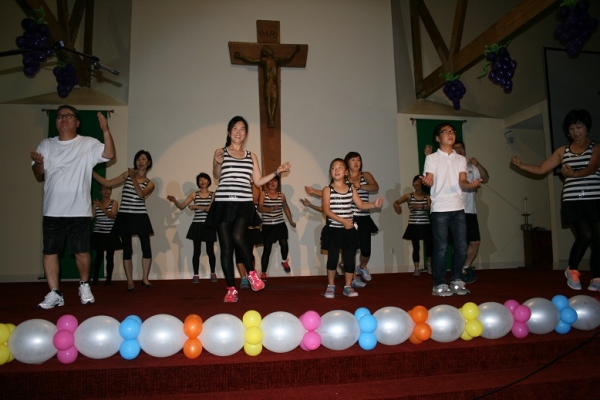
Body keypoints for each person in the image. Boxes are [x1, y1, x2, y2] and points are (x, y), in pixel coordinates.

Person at [30, 105, 115, 309]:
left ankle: (84, 285)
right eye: (60, 116)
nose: (64, 119)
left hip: (79, 210)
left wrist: (106, 130)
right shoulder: (47, 144)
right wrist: (39, 163)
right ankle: (54, 293)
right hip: (53, 210)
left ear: (77, 122)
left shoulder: (87, 143)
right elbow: (39, 173)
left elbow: (109, 154)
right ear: (56, 122)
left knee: (82, 252)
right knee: (50, 252)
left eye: (68, 116)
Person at [511, 109, 600, 291]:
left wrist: (574, 173)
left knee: (599, 239)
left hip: (595, 199)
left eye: (579, 127)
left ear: (587, 128)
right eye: (571, 128)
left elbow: (592, 168)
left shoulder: (596, 148)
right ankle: (572, 270)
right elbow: (541, 169)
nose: (575, 131)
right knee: (586, 235)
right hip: (573, 201)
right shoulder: (562, 151)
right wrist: (521, 165)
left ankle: (597, 278)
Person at [207, 116, 291, 302]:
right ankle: (231, 289)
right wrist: (217, 162)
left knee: (238, 237)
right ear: (229, 132)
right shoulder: (221, 152)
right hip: (223, 203)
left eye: (242, 129)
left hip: (244, 203)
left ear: (246, 134)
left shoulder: (251, 155)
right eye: (235, 128)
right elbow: (216, 175)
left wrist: (277, 171)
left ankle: (251, 273)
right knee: (226, 247)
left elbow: (258, 181)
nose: (238, 132)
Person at [421, 122, 481, 297]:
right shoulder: (432, 158)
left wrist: (470, 185)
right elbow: (430, 179)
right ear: (437, 138)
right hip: (440, 208)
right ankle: (439, 283)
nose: (450, 134)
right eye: (445, 132)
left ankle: (456, 280)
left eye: (452, 131)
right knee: (440, 248)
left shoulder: (460, 159)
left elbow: (462, 181)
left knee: (461, 246)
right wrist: (427, 182)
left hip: (458, 207)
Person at [93, 150, 155, 291]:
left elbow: (140, 194)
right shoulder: (127, 174)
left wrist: (133, 178)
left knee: (146, 248)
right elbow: (107, 182)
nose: (140, 161)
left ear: (148, 162)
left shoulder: (150, 183)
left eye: (143, 159)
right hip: (125, 216)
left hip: (140, 216)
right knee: (127, 250)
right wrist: (91, 171)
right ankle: (130, 281)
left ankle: (145, 279)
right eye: (138, 159)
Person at [321, 158, 383, 299]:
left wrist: (374, 204)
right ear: (330, 172)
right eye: (333, 168)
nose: (336, 170)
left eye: (340, 167)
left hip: (349, 230)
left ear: (346, 172)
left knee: (349, 259)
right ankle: (331, 286)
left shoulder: (351, 188)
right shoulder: (327, 189)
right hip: (333, 229)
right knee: (333, 258)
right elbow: (327, 210)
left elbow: (360, 205)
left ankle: (348, 287)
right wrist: (343, 221)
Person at [234, 45, 301, 128]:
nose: (270, 49)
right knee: (268, 101)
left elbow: (287, 58)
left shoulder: (276, 60)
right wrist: (241, 56)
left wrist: (294, 51)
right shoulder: (264, 60)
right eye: (268, 49)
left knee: (275, 101)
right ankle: (270, 119)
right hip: (268, 84)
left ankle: (272, 118)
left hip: (274, 84)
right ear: (265, 52)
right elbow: (251, 60)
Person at [167, 172, 217, 283]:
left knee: (210, 251)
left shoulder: (213, 194)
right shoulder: (194, 194)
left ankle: (213, 273)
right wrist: (175, 201)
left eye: (205, 179)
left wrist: (195, 206)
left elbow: (209, 209)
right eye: (200, 180)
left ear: (209, 181)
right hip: (197, 224)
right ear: (198, 182)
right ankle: (196, 275)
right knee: (196, 251)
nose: (202, 182)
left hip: (209, 225)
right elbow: (182, 206)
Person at [453, 139, 489, 283]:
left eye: (461, 148)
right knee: (459, 244)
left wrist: (477, 164)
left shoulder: (472, 167)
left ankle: (465, 268)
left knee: (475, 242)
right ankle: (457, 272)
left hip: (470, 211)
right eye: (456, 148)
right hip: (455, 210)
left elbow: (485, 177)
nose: (459, 150)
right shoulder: (451, 167)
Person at [344, 151, 380, 285]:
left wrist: (361, 186)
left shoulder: (365, 175)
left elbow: (375, 187)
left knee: (366, 249)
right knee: (351, 249)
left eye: (358, 160)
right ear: (347, 162)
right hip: (350, 217)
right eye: (353, 160)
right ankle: (353, 278)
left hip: (364, 217)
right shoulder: (344, 177)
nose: (356, 162)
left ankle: (362, 267)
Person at [257, 175, 296, 278]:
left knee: (284, 244)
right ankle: (263, 273)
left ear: (278, 183)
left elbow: (286, 208)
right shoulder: (263, 194)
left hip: (280, 224)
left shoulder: (281, 195)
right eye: (270, 181)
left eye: (275, 181)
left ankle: (284, 261)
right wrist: (272, 209)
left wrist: (291, 221)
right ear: (267, 183)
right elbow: (259, 208)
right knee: (267, 249)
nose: (272, 183)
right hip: (268, 226)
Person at [393, 175, 432, 276]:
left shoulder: (427, 196)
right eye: (415, 181)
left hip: (425, 225)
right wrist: (396, 206)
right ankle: (417, 268)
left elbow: (430, 207)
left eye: (419, 181)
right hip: (414, 225)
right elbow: (396, 202)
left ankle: (429, 264)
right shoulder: (409, 196)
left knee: (430, 245)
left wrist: (420, 205)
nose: (417, 183)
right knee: (416, 247)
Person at [91, 185, 122, 285]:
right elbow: (91, 217)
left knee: (110, 256)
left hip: (110, 233)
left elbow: (112, 215)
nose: (106, 191)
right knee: (98, 256)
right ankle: (95, 278)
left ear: (111, 191)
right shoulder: (96, 204)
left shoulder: (114, 202)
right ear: (100, 192)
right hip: (99, 233)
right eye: (104, 189)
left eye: (108, 189)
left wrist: (101, 207)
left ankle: (109, 279)